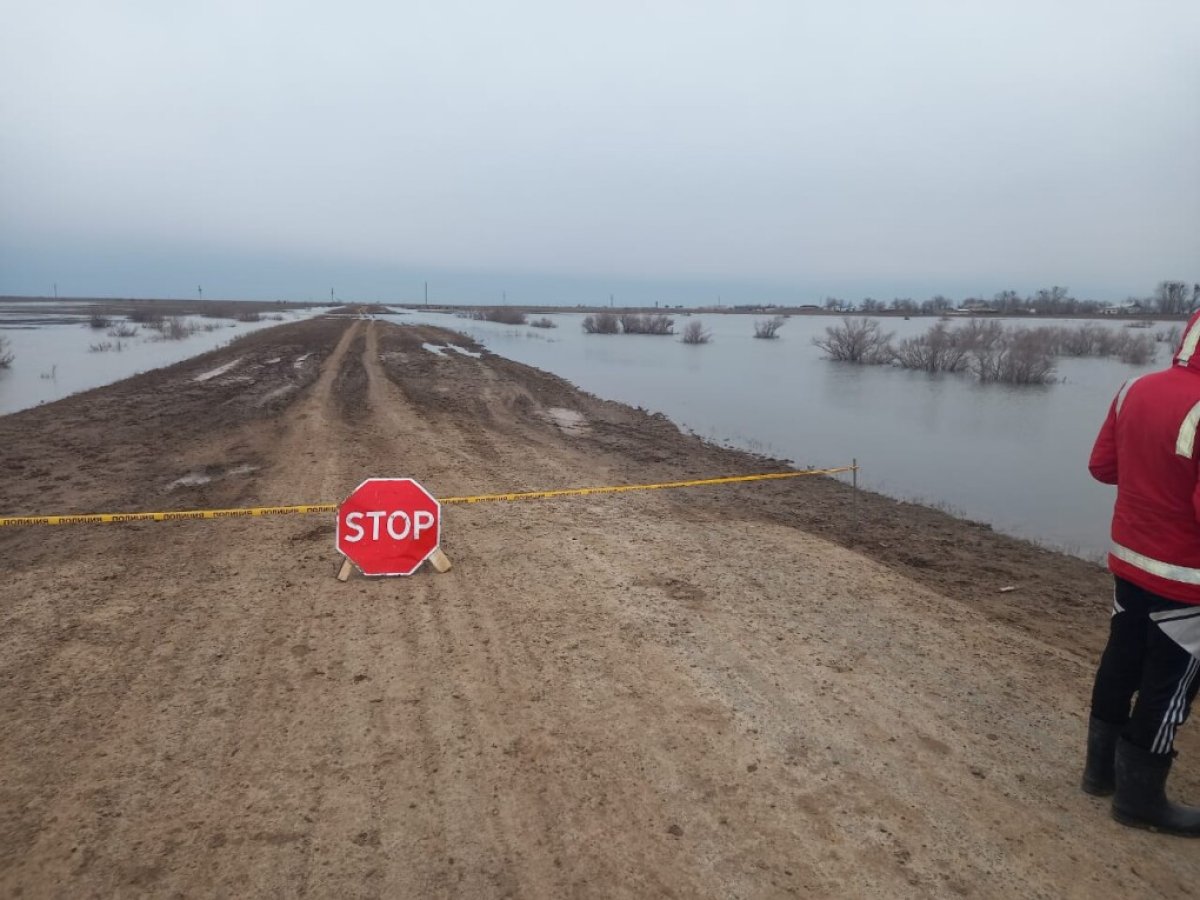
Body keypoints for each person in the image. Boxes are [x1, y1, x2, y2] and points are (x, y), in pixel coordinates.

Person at [1083, 310, 1200, 836]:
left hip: (1128, 560)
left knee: (1121, 660)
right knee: (1168, 685)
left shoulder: (1134, 388)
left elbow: (1103, 468)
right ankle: (1140, 800)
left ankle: (1098, 773)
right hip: (1188, 581)